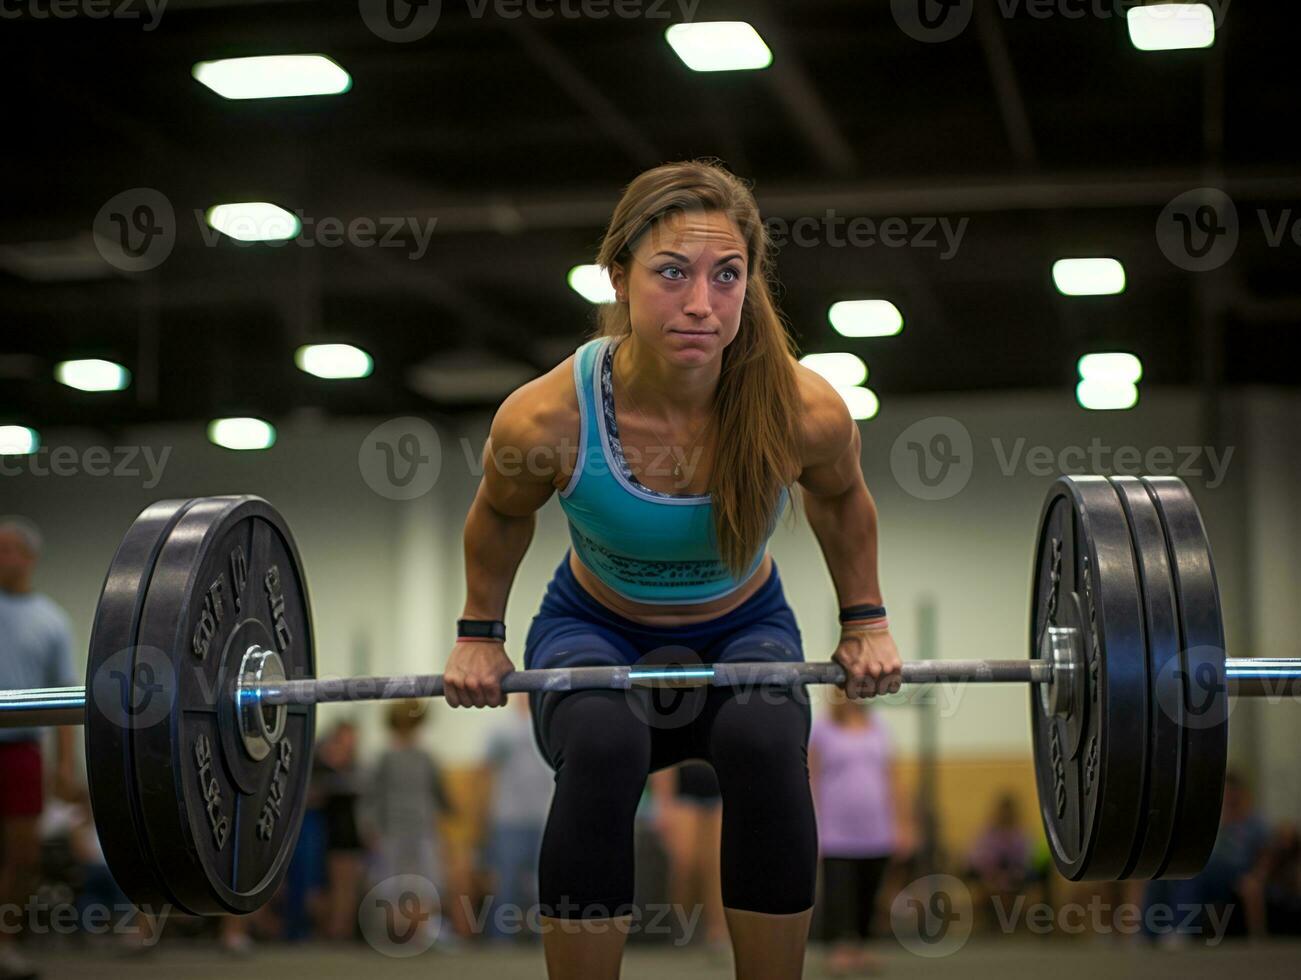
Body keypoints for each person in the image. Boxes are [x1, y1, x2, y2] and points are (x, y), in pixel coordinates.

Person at [441, 159, 903, 980]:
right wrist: (480, 633)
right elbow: (502, 513)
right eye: (670, 273)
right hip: (593, 628)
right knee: (603, 741)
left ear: (749, 283)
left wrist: (863, 621)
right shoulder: (547, 414)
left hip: (744, 628)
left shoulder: (803, 407)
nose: (701, 302)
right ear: (616, 275)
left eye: (726, 276)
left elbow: (840, 501)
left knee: (766, 741)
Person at [0, 517, 78, 980]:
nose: (3, 557)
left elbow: (66, 697)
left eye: (10, 549)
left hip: (22, 749)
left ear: (30, 558)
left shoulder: (51, 619)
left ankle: (4, 945)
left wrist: (65, 764)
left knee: (24, 855)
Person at [808, 691, 902, 975]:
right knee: (839, 890)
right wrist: (812, 824)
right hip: (836, 831)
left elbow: (893, 778)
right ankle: (840, 948)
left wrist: (904, 823)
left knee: (868, 890)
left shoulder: (878, 727)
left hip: (876, 828)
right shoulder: (822, 731)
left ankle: (859, 946)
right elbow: (811, 777)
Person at [360, 699, 458, 951]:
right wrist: (370, 828)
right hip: (397, 831)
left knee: (417, 883)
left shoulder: (421, 756)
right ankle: (401, 933)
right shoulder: (389, 757)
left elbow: (438, 793)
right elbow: (372, 797)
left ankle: (417, 933)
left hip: (418, 830)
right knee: (400, 884)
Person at [481, 694, 554, 943]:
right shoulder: (502, 729)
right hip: (508, 817)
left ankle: (543, 941)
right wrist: (484, 815)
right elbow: (486, 772)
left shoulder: (549, 724)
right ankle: (501, 940)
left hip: (543, 816)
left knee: (542, 886)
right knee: (507, 883)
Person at [649, 761, 727, 953]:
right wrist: (664, 803)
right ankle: (684, 929)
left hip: (720, 793)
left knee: (717, 868)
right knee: (686, 863)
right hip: (683, 794)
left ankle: (718, 931)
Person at [314, 720, 366, 940]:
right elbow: (314, 796)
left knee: (349, 885)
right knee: (334, 885)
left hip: (351, 831)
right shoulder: (322, 765)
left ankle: (343, 929)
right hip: (330, 831)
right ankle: (333, 928)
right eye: (345, 738)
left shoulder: (356, 767)